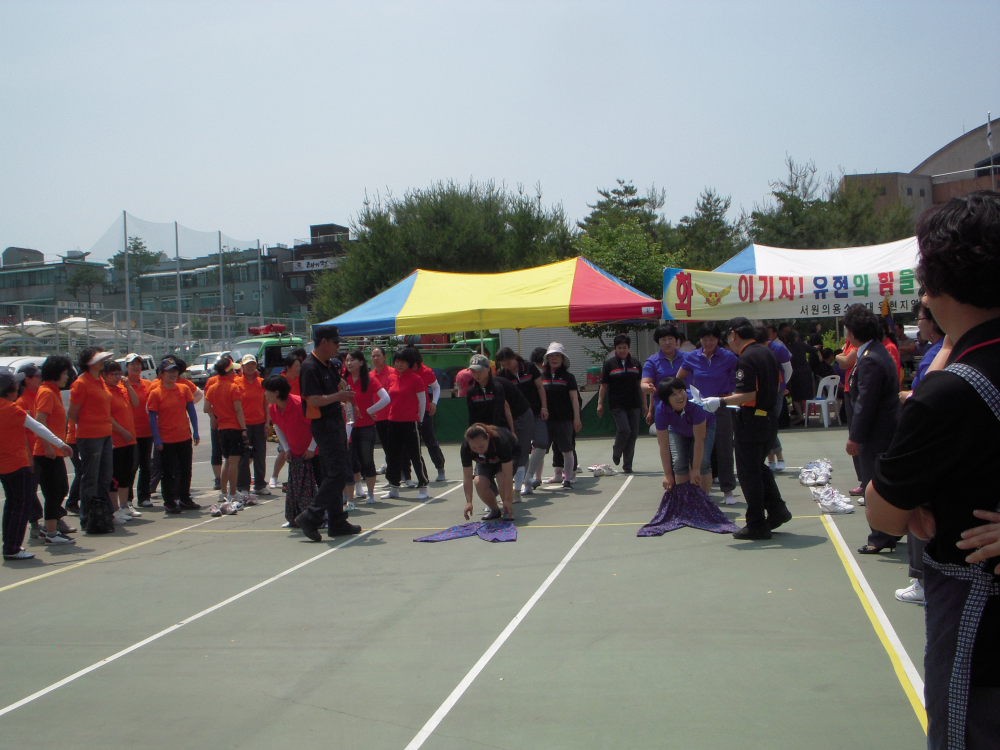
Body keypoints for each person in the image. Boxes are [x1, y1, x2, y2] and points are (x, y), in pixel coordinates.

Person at [865, 191, 1000, 748]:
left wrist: (913, 498)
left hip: (979, 620)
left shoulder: (951, 392)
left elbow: (884, 513)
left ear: (934, 284)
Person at [703, 318, 791, 540]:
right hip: (769, 417)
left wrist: (721, 401)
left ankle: (756, 523)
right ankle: (777, 509)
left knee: (748, 473)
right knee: (758, 467)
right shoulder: (767, 351)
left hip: (752, 420)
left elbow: (749, 394)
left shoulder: (746, 358)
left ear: (733, 334)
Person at [838, 305, 902, 554]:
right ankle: (889, 531)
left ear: (853, 333)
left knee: (873, 485)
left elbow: (866, 402)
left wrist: (855, 437)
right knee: (881, 483)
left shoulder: (870, 358)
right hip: (883, 430)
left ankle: (880, 536)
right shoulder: (875, 352)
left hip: (876, 433)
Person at [296, 325, 362, 541]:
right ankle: (311, 515)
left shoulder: (328, 365)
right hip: (324, 424)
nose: (337, 347)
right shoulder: (310, 367)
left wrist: (348, 397)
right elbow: (313, 400)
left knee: (333, 472)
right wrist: (338, 397)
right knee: (338, 473)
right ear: (324, 341)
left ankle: (337, 521)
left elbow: (339, 384)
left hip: (335, 421)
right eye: (335, 342)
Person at [1, 367, 73, 559]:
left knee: (11, 504)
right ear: (10, 388)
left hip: (4, 466)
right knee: (20, 506)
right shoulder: (12, 409)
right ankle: (13, 548)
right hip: (18, 464)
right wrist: (60, 444)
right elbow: (37, 426)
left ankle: (9, 544)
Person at [677, 323, 739, 504]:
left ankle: (728, 490)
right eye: (705, 339)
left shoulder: (729, 357)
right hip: (699, 408)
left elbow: (741, 376)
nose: (708, 342)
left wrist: (732, 394)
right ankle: (704, 487)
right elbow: (679, 379)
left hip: (721, 406)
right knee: (701, 448)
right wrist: (689, 395)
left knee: (724, 448)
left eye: (712, 339)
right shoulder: (692, 357)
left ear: (718, 339)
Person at [466, 353, 532, 498]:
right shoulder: (471, 391)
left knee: (508, 464)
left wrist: (508, 432)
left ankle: (514, 492)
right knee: (483, 466)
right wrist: (474, 435)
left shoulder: (497, 387)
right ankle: (492, 495)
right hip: (483, 432)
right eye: (473, 371)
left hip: (501, 430)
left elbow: (501, 410)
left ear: (488, 369)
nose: (476, 374)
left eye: (479, 370)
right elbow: (472, 416)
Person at [67, 348, 116, 532]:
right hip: (89, 437)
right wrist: (88, 424)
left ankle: (103, 514)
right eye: (98, 360)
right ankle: (87, 518)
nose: (102, 362)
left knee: (104, 477)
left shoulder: (99, 380)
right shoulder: (81, 383)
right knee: (90, 478)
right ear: (88, 363)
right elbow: (72, 413)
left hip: (105, 434)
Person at [146, 357, 201, 515]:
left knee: (185, 469)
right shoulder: (156, 393)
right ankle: (169, 502)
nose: (173, 374)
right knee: (168, 472)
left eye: (175, 371)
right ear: (161, 374)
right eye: (169, 371)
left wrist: (195, 430)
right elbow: (152, 417)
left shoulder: (183, 389)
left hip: (184, 436)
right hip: (166, 439)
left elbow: (191, 410)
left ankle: (184, 497)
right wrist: (157, 438)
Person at [263, 374, 319, 527]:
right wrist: (286, 448)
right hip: (295, 454)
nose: (265, 394)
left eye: (267, 391)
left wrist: (311, 448)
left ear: (277, 392)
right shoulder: (273, 408)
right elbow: (278, 428)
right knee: (294, 489)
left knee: (315, 488)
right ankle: (295, 519)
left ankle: (319, 519)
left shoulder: (300, 405)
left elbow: (317, 427)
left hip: (314, 453)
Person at [33, 356, 77, 544]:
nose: (67, 377)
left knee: (61, 489)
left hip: (55, 450)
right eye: (64, 373)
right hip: (46, 452)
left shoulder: (53, 391)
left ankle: (49, 526)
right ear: (55, 373)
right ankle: (51, 533)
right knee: (53, 492)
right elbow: (39, 421)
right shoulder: (46, 392)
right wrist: (48, 446)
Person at [495, 346, 547, 496]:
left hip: (536, 413)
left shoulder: (529, 367)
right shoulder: (502, 376)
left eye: (509, 363)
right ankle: (526, 485)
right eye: (503, 365)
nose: (507, 367)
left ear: (515, 357)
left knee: (542, 442)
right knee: (523, 450)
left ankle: (529, 475)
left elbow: (540, 387)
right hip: (517, 417)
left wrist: (544, 407)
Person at [380, 346, 429, 501]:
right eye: (397, 361)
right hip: (393, 421)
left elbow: (422, 402)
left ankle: (423, 486)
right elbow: (389, 398)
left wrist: (420, 420)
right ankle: (394, 487)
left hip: (410, 422)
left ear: (409, 363)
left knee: (415, 455)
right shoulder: (391, 377)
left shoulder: (416, 379)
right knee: (392, 456)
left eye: (403, 362)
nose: (399, 364)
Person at [529, 343, 580, 490]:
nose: (554, 358)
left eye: (558, 355)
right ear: (547, 358)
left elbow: (574, 399)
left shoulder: (568, 377)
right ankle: (537, 479)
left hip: (564, 419)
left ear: (563, 359)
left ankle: (567, 480)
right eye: (552, 356)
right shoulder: (540, 377)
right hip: (544, 421)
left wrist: (576, 418)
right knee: (539, 449)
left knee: (567, 450)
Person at [345, 349, 390, 503]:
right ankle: (350, 493)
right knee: (349, 461)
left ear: (361, 362)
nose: (349, 363)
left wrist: (369, 410)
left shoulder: (369, 379)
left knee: (367, 460)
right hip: (348, 427)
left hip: (366, 427)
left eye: (352, 360)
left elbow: (386, 398)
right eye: (347, 360)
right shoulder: (343, 380)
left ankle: (370, 494)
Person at [655, 378, 715, 491]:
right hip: (678, 430)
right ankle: (685, 497)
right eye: (674, 394)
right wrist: (668, 475)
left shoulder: (696, 404)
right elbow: (663, 445)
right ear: (666, 399)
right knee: (679, 462)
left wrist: (696, 469)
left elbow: (699, 440)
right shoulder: (660, 411)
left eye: (681, 391)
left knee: (703, 463)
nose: (680, 396)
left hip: (705, 427)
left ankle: (704, 499)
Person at [595, 334, 643, 473]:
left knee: (633, 434)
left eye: (624, 347)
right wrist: (600, 403)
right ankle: (617, 451)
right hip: (617, 404)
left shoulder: (636, 363)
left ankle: (627, 465)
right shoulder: (609, 364)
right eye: (619, 347)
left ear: (628, 348)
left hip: (634, 403)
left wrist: (645, 404)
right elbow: (604, 385)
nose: (622, 350)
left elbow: (640, 385)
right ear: (615, 349)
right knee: (624, 430)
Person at [204, 356, 247, 506]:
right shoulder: (233, 387)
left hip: (221, 428)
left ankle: (223, 492)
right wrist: (244, 429)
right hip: (234, 427)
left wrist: (217, 413)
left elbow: (206, 408)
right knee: (234, 462)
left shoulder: (212, 387)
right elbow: (238, 410)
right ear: (228, 371)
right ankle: (233, 492)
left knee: (227, 460)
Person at [101, 359, 141, 524]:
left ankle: (125, 505)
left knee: (126, 474)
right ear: (104, 375)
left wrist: (128, 386)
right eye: (113, 374)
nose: (117, 377)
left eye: (119, 373)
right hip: (116, 440)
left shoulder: (121, 389)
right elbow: (107, 416)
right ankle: (115, 508)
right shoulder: (105, 392)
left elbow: (135, 403)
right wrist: (122, 431)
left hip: (129, 440)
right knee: (115, 476)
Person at [461, 423, 518, 522]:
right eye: (474, 448)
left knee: (502, 478)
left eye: (481, 446)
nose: (478, 451)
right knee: (479, 482)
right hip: (484, 461)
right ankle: (494, 509)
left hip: (506, 458)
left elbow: (508, 475)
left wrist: (508, 501)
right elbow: (467, 476)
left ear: (487, 437)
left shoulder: (501, 441)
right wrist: (469, 502)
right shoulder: (466, 447)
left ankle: (506, 509)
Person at [235, 354, 270, 497]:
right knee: (243, 457)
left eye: (253, 364)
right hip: (243, 425)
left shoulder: (261, 383)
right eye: (247, 364)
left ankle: (260, 485)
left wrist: (267, 422)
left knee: (260, 455)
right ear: (242, 367)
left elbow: (266, 404)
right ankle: (243, 486)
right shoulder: (236, 383)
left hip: (259, 423)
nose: (250, 367)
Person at [15, 364, 44, 538]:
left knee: (55, 486)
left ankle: (55, 518)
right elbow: (22, 433)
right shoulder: (21, 401)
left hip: (42, 449)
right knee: (30, 490)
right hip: (31, 452)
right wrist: (28, 456)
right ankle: (34, 524)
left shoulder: (39, 395)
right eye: (37, 376)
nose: (40, 379)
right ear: (27, 380)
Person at [641, 324, 688, 426]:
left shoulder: (688, 358)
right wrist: (648, 387)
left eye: (670, 338)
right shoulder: (652, 362)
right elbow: (644, 384)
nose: (667, 342)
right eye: (663, 339)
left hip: (687, 406)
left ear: (676, 340)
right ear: (658, 342)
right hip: (664, 409)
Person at [123, 354, 154, 508]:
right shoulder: (122, 385)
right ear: (126, 367)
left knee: (146, 465)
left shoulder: (148, 384)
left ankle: (144, 496)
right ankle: (127, 498)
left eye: (138, 364)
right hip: (130, 432)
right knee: (131, 466)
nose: (136, 367)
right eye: (132, 364)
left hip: (146, 431)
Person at [268, 353, 302, 489]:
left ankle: (294, 481)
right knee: (284, 451)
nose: (299, 368)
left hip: (298, 416)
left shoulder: (301, 379)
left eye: (299, 365)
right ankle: (274, 476)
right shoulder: (279, 381)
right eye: (296, 366)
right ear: (288, 367)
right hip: (284, 418)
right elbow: (276, 423)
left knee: (298, 454)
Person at [412, 348, 446, 482]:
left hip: (425, 411)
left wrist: (434, 403)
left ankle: (440, 468)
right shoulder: (403, 372)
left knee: (430, 441)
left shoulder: (426, 371)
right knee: (411, 444)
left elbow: (436, 387)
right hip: (409, 413)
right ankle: (409, 474)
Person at [763, 326, 793, 469]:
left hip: (776, 392)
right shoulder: (755, 350)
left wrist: (782, 386)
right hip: (761, 392)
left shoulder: (779, 348)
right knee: (765, 424)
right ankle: (771, 460)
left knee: (770, 424)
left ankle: (779, 457)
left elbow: (788, 370)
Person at [370, 346, 394, 476]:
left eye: (378, 355)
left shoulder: (393, 372)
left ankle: (402, 472)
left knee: (396, 446)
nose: (375, 358)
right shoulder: (369, 376)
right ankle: (391, 471)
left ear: (384, 357)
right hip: (378, 417)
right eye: (373, 356)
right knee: (386, 446)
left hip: (393, 416)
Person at [785, 329, 813, 425]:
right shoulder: (801, 345)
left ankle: (801, 417)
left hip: (794, 372)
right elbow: (811, 350)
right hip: (805, 371)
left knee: (796, 396)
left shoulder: (787, 347)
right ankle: (807, 417)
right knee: (808, 395)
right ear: (796, 338)